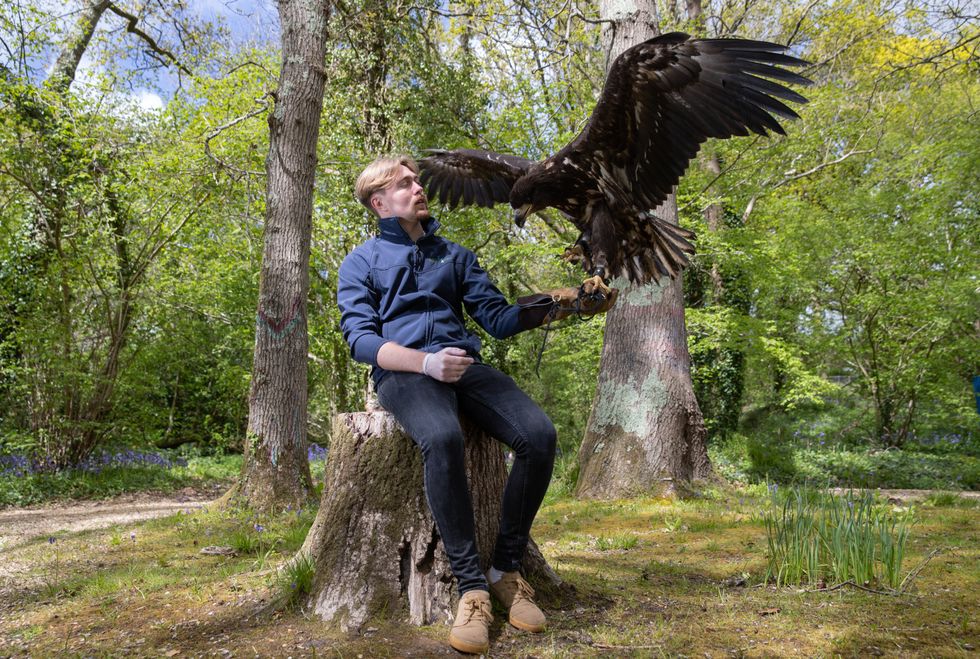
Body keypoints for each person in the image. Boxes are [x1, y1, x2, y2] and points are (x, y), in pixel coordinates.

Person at [337, 155, 614, 655]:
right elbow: (359, 340)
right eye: (405, 184)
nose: (418, 187)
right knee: (442, 438)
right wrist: (424, 365)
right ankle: (472, 589)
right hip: (404, 374)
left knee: (539, 434)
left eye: (417, 180)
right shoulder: (361, 262)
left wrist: (563, 302)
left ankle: (505, 571)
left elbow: (500, 319)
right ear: (379, 203)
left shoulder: (455, 256)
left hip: (465, 364)